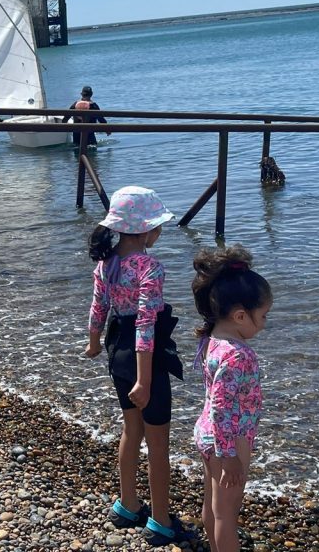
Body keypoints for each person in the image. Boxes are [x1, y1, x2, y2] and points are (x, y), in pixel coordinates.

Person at [83, 186, 186, 546]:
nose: (158, 233)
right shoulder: (149, 267)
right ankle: (160, 521)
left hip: (116, 351)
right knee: (158, 444)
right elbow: (146, 324)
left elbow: (99, 308)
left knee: (132, 430)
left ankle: (127, 505)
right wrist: (144, 379)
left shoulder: (106, 263)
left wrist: (95, 342)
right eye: (157, 227)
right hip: (145, 359)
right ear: (144, 231)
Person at [191, 245, 273, 552]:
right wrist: (229, 456)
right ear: (241, 315)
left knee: (213, 506)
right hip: (228, 439)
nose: (264, 323)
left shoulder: (214, 338)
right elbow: (225, 408)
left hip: (208, 433)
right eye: (263, 316)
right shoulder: (239, 355)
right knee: (226, 513)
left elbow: (219, 400)